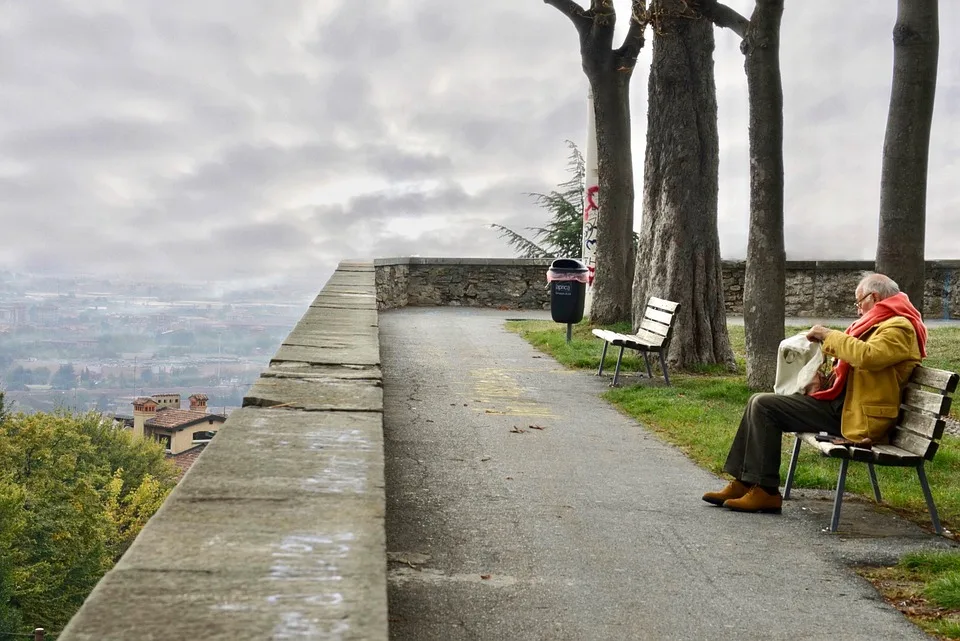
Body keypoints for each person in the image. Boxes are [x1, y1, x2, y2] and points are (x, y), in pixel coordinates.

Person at [702, 273, 927, 513]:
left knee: (765, 406)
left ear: (874, 297)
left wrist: (829, 335)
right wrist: (828, 380)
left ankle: (766, 492)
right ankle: (744, 482)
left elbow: (868, 357)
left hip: (858, 417)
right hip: (845, 406)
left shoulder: (900, 326)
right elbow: (862, 368)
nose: (858, 309)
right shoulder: (882, 322)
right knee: (758, 401)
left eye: (859, 302)